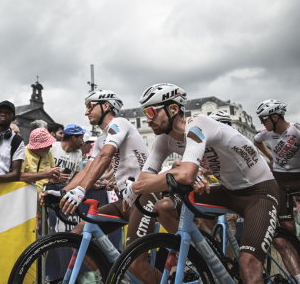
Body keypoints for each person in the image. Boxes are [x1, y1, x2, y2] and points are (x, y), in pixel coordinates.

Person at [134, 83, 279, 284]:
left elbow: (184, 175)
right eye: (144, 112)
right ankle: (207, 258)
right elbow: (143, 180)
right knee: (163, 207)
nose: (147, 118)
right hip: (228, 191)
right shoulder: (163, 140)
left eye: (151, 111)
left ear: (173, 109)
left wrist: (179, 174)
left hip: (259, 191)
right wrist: (179, 174)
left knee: (248, 264)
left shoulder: (199, 124)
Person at [55, 89, 157, 283]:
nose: (86, 112)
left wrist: (81, 190)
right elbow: (88, 171)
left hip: (145, 196)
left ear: (106, 106)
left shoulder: (120, 123)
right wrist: (62, 192)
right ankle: (111, 277)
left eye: (89, 106)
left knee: (137, 265)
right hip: (125, 201)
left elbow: (105, 156)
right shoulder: (101, 139)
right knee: (76, 235)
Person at [254, 99, 300, 234]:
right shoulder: (266, 133)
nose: (261, 122)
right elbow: (256, 141)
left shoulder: (297, 128)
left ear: (275, 117)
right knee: (288, 226)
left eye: (263, 119)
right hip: (280, 181)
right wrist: (270, 157)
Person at [20, 128, 61, 193]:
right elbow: (18, 176)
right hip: (27, 198)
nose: (51, 146)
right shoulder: (23, 153)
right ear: (39, 146)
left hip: (44, 197)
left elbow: (52, 177)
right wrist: (45, 174)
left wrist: (55, 179)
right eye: (48, 144)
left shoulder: (48, 152)